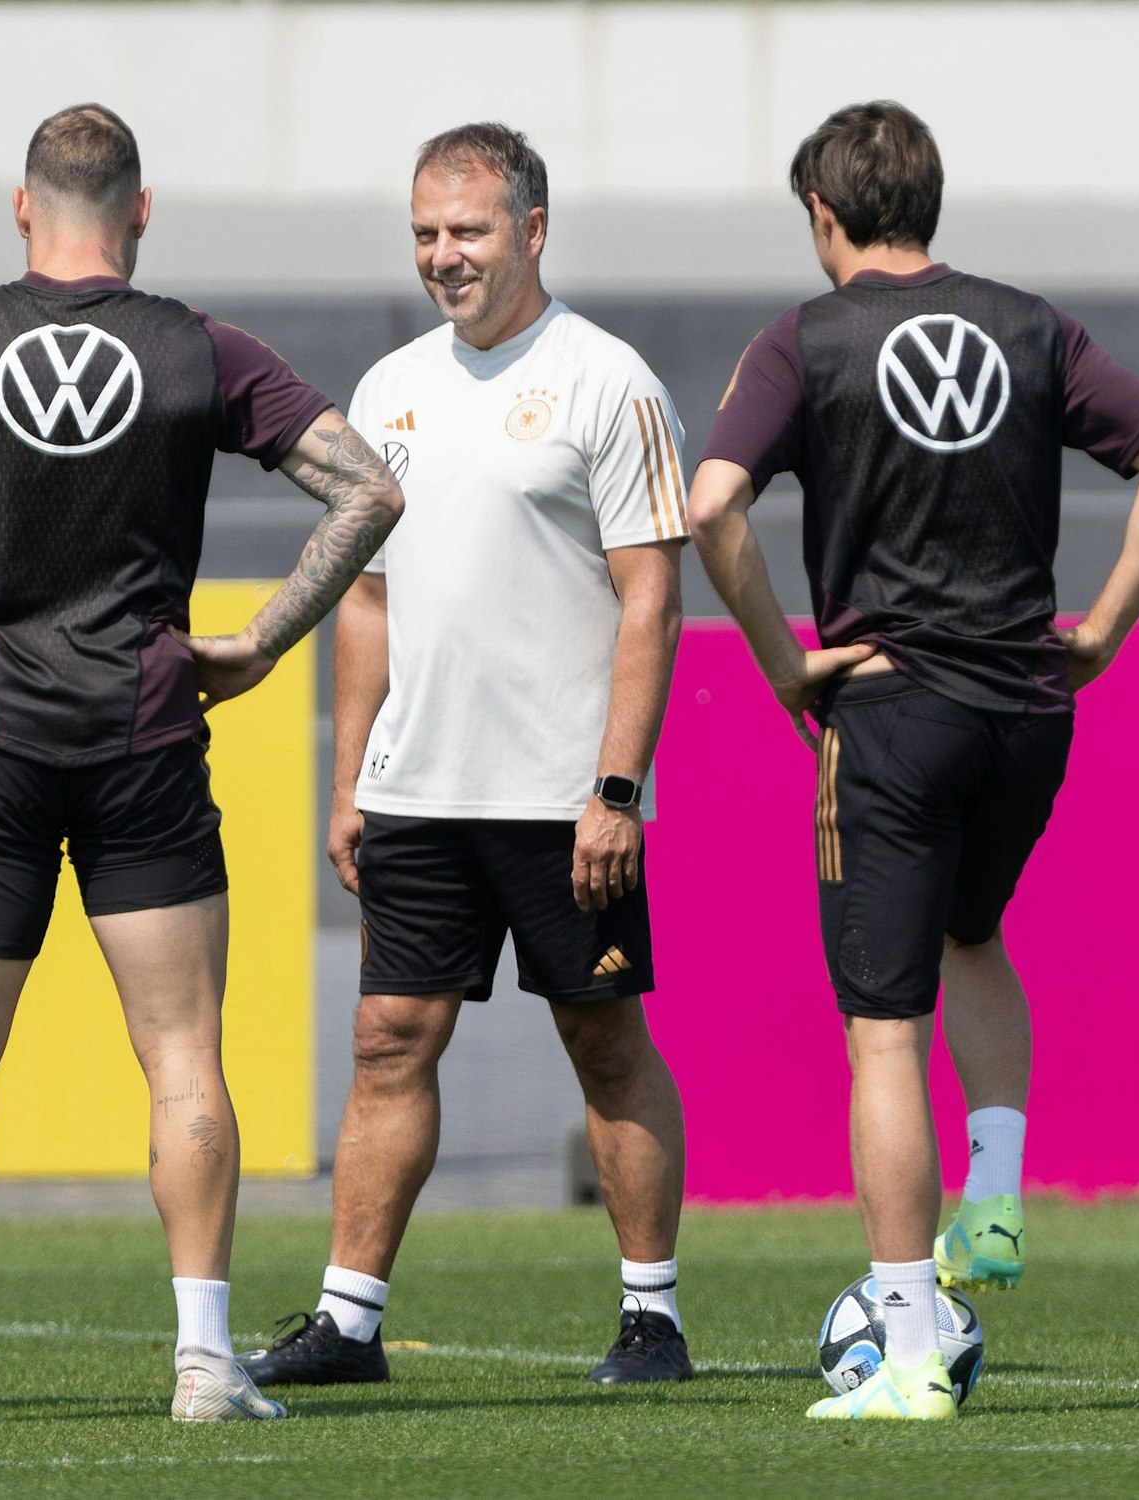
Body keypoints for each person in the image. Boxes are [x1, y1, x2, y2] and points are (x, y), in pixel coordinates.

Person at [0, 102, 401, 1424]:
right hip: (149, 727)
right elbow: (370, 489)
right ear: (141, 212)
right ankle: (206, 1362)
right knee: (182, 1054)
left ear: (24, 208)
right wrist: (266, 639)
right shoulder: (201, 348)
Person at [687, 100, 1139, 1420]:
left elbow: (708, 505)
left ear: (823, 214)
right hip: (1031, 706)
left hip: (895, 715)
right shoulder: (1035, 325)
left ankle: (910, 1353)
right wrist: (1110, 628)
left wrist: (783, 662)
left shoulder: (805, 341)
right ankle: (1000, 1188)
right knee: (976, 934)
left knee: (883, 1035)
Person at [238, 122, 695, 1391]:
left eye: (469, 231)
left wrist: (614, 790)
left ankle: (650, 1316)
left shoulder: (610, 381)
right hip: (415, 791)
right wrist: (347, 784)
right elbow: (367, 601)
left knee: (603, 1044)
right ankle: (347, 1321)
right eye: (426, 234)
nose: (444, 255)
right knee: (388, 1037)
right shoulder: (385, 391)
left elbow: (650, 600)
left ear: (531, 232)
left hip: (562, 799)